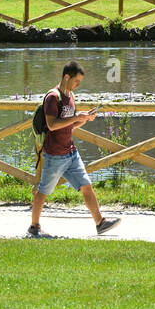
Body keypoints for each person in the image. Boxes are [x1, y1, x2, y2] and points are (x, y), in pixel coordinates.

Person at [28, 61, 118, 239]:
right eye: (76, 81)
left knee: (86, 186)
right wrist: (76, 116)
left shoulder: (71, 97)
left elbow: (69, 126)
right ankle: (34, 226)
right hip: (54, 155)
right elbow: (52, 125)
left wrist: (84, 119)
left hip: (71, 153)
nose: (78, 84)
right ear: (66, 77)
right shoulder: (53, 97)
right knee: (43, 191)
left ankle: (100, 223)